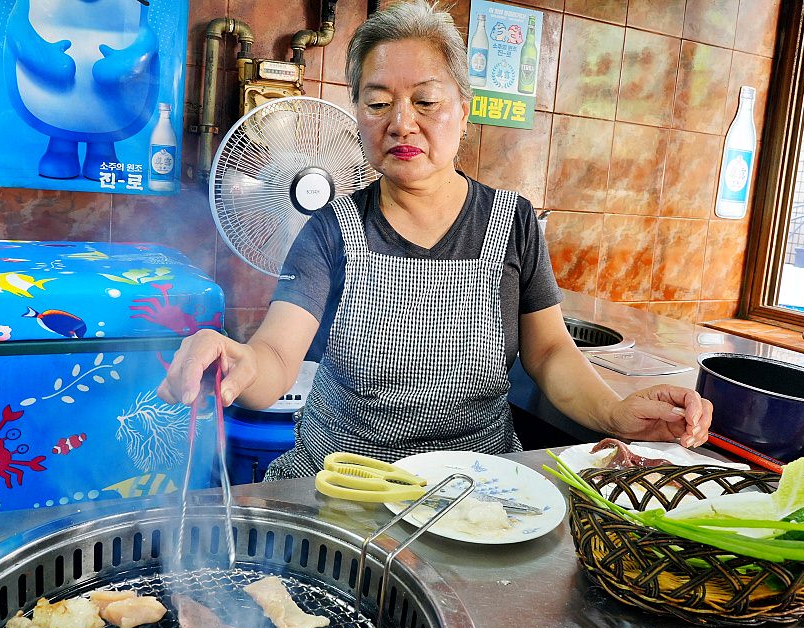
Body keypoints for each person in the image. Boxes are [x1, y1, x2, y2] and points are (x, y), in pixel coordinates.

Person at [159, 0, 712, 480]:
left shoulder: (512, 222)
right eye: (378, 103)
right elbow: (277, 353)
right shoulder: (331, 228)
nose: (401, 122)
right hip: (348, 484)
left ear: (463, 113)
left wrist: (615, 414)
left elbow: (549, 352)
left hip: (480, 488)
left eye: (426, 101)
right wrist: (239, 363)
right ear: (357, 117)